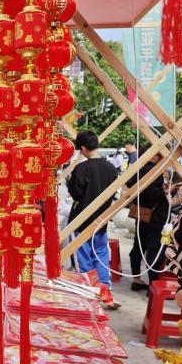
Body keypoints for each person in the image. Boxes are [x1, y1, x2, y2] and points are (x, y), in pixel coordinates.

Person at [66, 131, 119, 305]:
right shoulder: (111, 167)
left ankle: (89, 292)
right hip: (102, 220)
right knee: (101, 254)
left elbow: (76, 193)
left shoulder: (82, 168)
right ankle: (105, 292)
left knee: (83, 257)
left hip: (82, 219)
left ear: (83, 148)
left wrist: (69, 181)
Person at [129, 146, 170, 291]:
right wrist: (167, 190)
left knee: (138, 247)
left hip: (141, 214)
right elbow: (153, 193)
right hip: (156, 217)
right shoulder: (154, 171)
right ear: (155, 156)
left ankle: (136, 279)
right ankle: (153, 285)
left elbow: (129, 184)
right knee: (154, 250)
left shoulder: (138, 168)